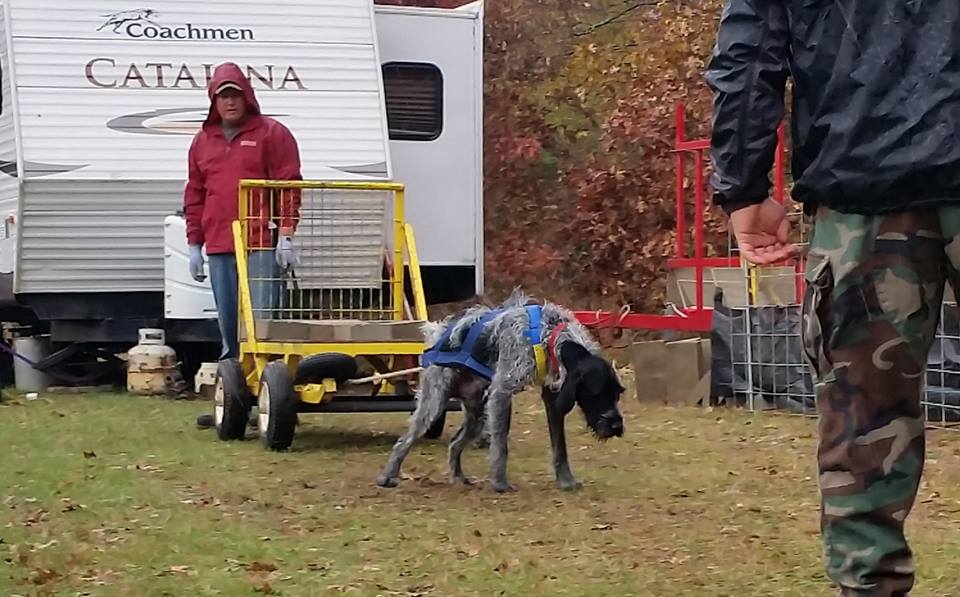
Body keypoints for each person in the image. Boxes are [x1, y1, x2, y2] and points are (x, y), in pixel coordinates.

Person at [706, 2, 960, 595]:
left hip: (862, 188)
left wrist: (743, 186)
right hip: (860, 179)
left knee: (864, 427)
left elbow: (749, 51)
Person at [183, 62, 303, 361]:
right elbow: (195, 192)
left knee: (262, 322)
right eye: (223, 96)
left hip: (261, 242)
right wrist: (194, 244)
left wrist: (286, 234)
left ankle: (267, 376)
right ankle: (234, 383)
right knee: (229, 322)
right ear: (214, 100)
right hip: (220, 243)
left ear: (247, 96)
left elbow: (288, 185)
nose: (231, 101)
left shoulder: (272, 133)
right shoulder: (201, 141)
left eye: (236, 94)